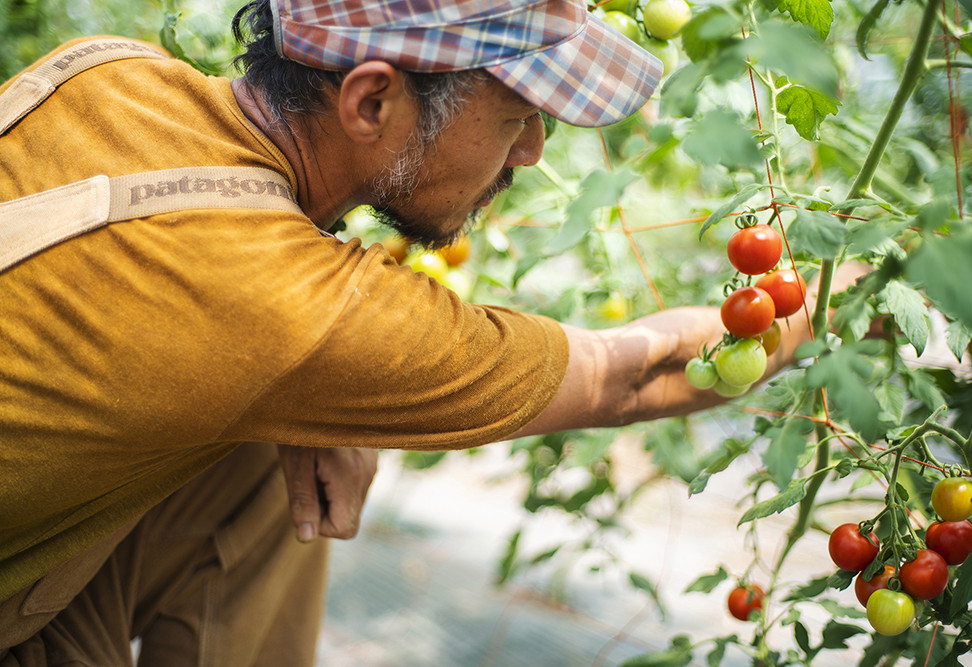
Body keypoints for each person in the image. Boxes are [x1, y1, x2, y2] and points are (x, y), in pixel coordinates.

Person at [0, 1, 832, 664]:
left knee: (260, 463)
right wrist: (830, 297)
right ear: (371, 100)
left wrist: (315, 398)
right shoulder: (299, 310)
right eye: (516, 114)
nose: (536, 149)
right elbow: (633, 376)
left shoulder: (106, 70)